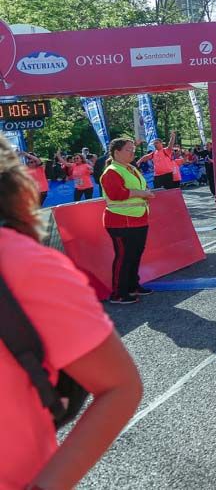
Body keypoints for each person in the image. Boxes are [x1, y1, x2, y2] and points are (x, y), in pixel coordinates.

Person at [0, 134, 143, 489]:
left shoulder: (24, 266)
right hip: (126, 220)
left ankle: (127, 290)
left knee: (128, 266)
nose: (133, 152)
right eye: (130, 148)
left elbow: (120, 386)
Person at [100, 137, 157, 305]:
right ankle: (118, 293)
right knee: (124, 257)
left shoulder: (131, 168)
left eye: (133, 149)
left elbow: (137, 188)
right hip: (120, 220)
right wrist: (142, 194)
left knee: (135, 255)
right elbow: (116, 194)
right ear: (116, 152)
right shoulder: (111, 171)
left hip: (138, 217)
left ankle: (132, 286)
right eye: (128, 149)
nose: (132, 152)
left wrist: (145, 192)